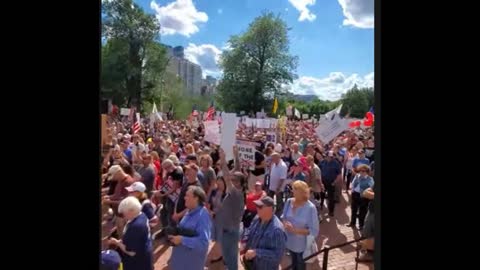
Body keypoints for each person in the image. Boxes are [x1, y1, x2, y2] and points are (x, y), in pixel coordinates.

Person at [168, 186, 212, 270]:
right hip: (180, 262)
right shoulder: (190, 210)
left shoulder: (202, 216)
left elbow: (203, 243)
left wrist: (182, 240)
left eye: (187, 196)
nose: (184, 198)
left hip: (190, 265)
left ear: (196, 198)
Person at [218, 146, 246, 270]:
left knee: (230, 257)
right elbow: (237, 172)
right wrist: (236, 157)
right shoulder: (239, 189)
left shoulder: (236, 193)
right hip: (231, 228)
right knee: (229, 255)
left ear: (238, 183)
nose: (231, 179)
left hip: (230, 230)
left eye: (233, 179)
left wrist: (223, 161)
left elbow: (226, 177)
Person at [282, 181, 319, 270]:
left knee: (300, 266)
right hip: (289, 241)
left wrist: (295, 230)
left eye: (294, 189)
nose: (292, 191)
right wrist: (285, 223)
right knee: (293, 264)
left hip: (301, 245)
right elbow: (283, 217)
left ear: (301, 192)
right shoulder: (289, 201)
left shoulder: (310, 208)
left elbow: (314, 230)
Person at [108, 197, 153, 270]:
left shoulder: (135, 227)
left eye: (124, 213)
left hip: (137, 263)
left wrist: (116, 243)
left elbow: (131, 252)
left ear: (131, 210)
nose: (123, 215)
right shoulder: (142, 215)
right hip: (144, 255)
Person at [242, 196, 286, 270]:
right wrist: (244, 241)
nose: (257, 208)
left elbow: (277, 254)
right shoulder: (257, 218)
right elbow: (249, 230)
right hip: (252, 264)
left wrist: (256, 252)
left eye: (260, 206)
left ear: (270, 209)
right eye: (257, 206)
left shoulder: (277, 229)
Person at [206, 176, 228, 263]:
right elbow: (207, 202)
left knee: (221, 237)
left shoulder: (227, 194)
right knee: (218, 237)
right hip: (214, 217)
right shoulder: (214, 191)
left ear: (224, 182)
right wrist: (210, 211)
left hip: (223, 218)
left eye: (220, 181)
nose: (219, 183)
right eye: (218, 181)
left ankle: (220, 255)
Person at [347, 165, 374, 230]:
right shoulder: (357, 176)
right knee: (354, 209)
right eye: (360, 171)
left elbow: (372, 188)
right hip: (355, 195)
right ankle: (352, 223)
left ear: (367, 172)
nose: (361, 172)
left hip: (363, 197)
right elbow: (353, 184)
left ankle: (361, 225)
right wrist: (352, 191)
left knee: (362, 212)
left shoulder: (370, 179)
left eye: (363, 171)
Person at [320, 151, 342, 217]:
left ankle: (331, 211)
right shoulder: (322, 162)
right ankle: (320, 206)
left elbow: (339, 174)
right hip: (323, 181)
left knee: (331, 198)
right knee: (322, 195)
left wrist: (334, 182)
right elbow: (319, 171)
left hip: (331, 182)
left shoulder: (336, 163)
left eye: (330, 157)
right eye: (327, 156)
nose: (328, 158)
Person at [357, 186, 375, 262]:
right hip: (371, 211)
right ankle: (369, 253)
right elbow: (365, 193)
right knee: (367, 232)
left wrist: (371, 195)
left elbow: (368, 193)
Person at [268, 152, 288, 217]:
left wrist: (278, 188)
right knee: (269, 202)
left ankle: (278, 216)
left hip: (278, 189)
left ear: (277, 158)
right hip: (271, 187)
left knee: (279, 204)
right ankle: (270, 213)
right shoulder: (274, 163)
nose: (271, 160)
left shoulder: (283, 166)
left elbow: (282, 178)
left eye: (272, 158)